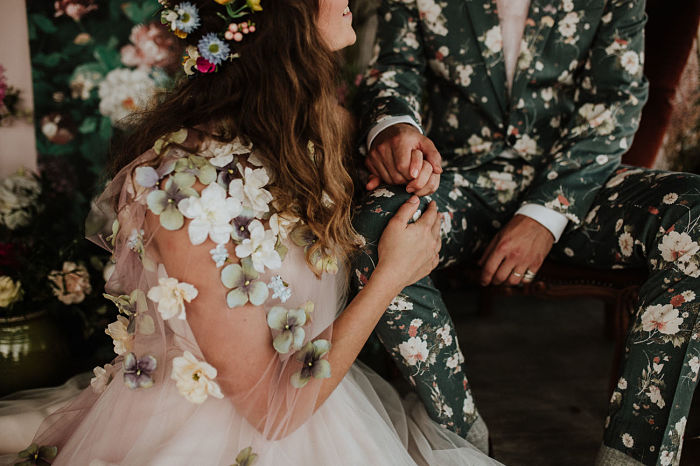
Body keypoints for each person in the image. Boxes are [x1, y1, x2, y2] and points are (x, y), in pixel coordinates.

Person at [0, 1, 504, 465]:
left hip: (321, 395)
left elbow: (372, 135)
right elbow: (271, 410)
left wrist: (397, 139)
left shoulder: (302, 128)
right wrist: (391, 276)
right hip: (247, 429)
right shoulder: (187, 191)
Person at [354, 0, 700, 464]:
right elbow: (395, 69)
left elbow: (615, 101)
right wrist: (394, 128)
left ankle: (631, 458)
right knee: (375, 224)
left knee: (695, 216)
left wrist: (544, 214)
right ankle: (460, 441)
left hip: (580, 185)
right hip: (456, 178)